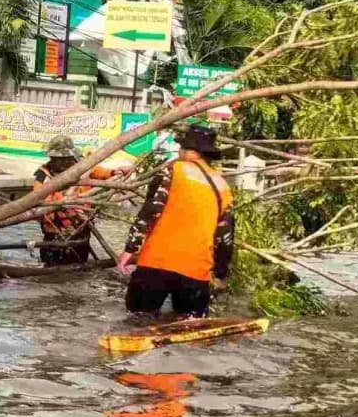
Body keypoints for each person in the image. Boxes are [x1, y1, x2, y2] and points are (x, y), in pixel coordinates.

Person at [117, 126, 233, 318]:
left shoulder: (172, 170)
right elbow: (225, 236)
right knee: (188, 326)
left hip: (156, 264)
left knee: (137, 320)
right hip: (196, 270)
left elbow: (151, 210)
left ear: (187, 150)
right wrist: (220, 273)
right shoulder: (222, 186)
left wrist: (130, 248)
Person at [34, 135, 129, 266]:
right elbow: (37, 200)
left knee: (79, 266)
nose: (61, 163)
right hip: (55, 231)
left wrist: (115, 172)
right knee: (51, 267)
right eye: (57, 159)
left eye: (65, 159)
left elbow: (100, 172)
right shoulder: (43, 174)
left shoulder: (82, 166)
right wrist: (61, 201)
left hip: (81, 227)